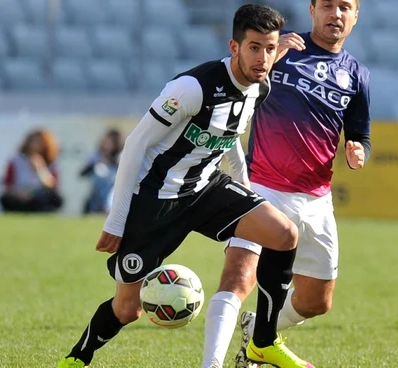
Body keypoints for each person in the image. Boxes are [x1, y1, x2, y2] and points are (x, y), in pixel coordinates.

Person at [56, 5, 313, 368]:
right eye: (254, 47)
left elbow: (230, 135)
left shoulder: (261, 85)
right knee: (127, 309)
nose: (264, 58)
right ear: (234, 46)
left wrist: (243, 186)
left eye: (270, 48)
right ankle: (77, 359)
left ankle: (264, 341)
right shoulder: (193, 88)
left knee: (284, 233)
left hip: (206, 188)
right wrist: (116, 220)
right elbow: (135, 145)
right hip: (156, 199)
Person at [199, 0, 370, 367]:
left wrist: (359, 151)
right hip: (264, 188)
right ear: (312, 10)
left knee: (315, 302)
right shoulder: (281, 51)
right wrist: (271, 61)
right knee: (238, 278)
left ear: (356, 16)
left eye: (344, 7)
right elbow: (236, 85)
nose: (335, 14)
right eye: (327, 5)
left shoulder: (356, 74)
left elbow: (359, 133)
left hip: (317, 199)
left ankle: (257, 332)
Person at [0, 128, 63, 213]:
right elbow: (8, 185)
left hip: (39, 196)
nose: (36, 145)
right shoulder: (16, 160)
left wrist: (41, 170)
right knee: (6, 198)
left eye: (40, 142)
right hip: (19, 195)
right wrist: (19, 194)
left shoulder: (51, 162)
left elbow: (53, 186)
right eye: (34, 141)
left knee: (55, 198)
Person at [80, 129, 123, 214]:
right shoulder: (97, 156)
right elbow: (82, 173)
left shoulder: (120, 156)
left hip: (113, 191)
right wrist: (95, 163)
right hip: (96, 193)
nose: (107, 145)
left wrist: (111, 161)